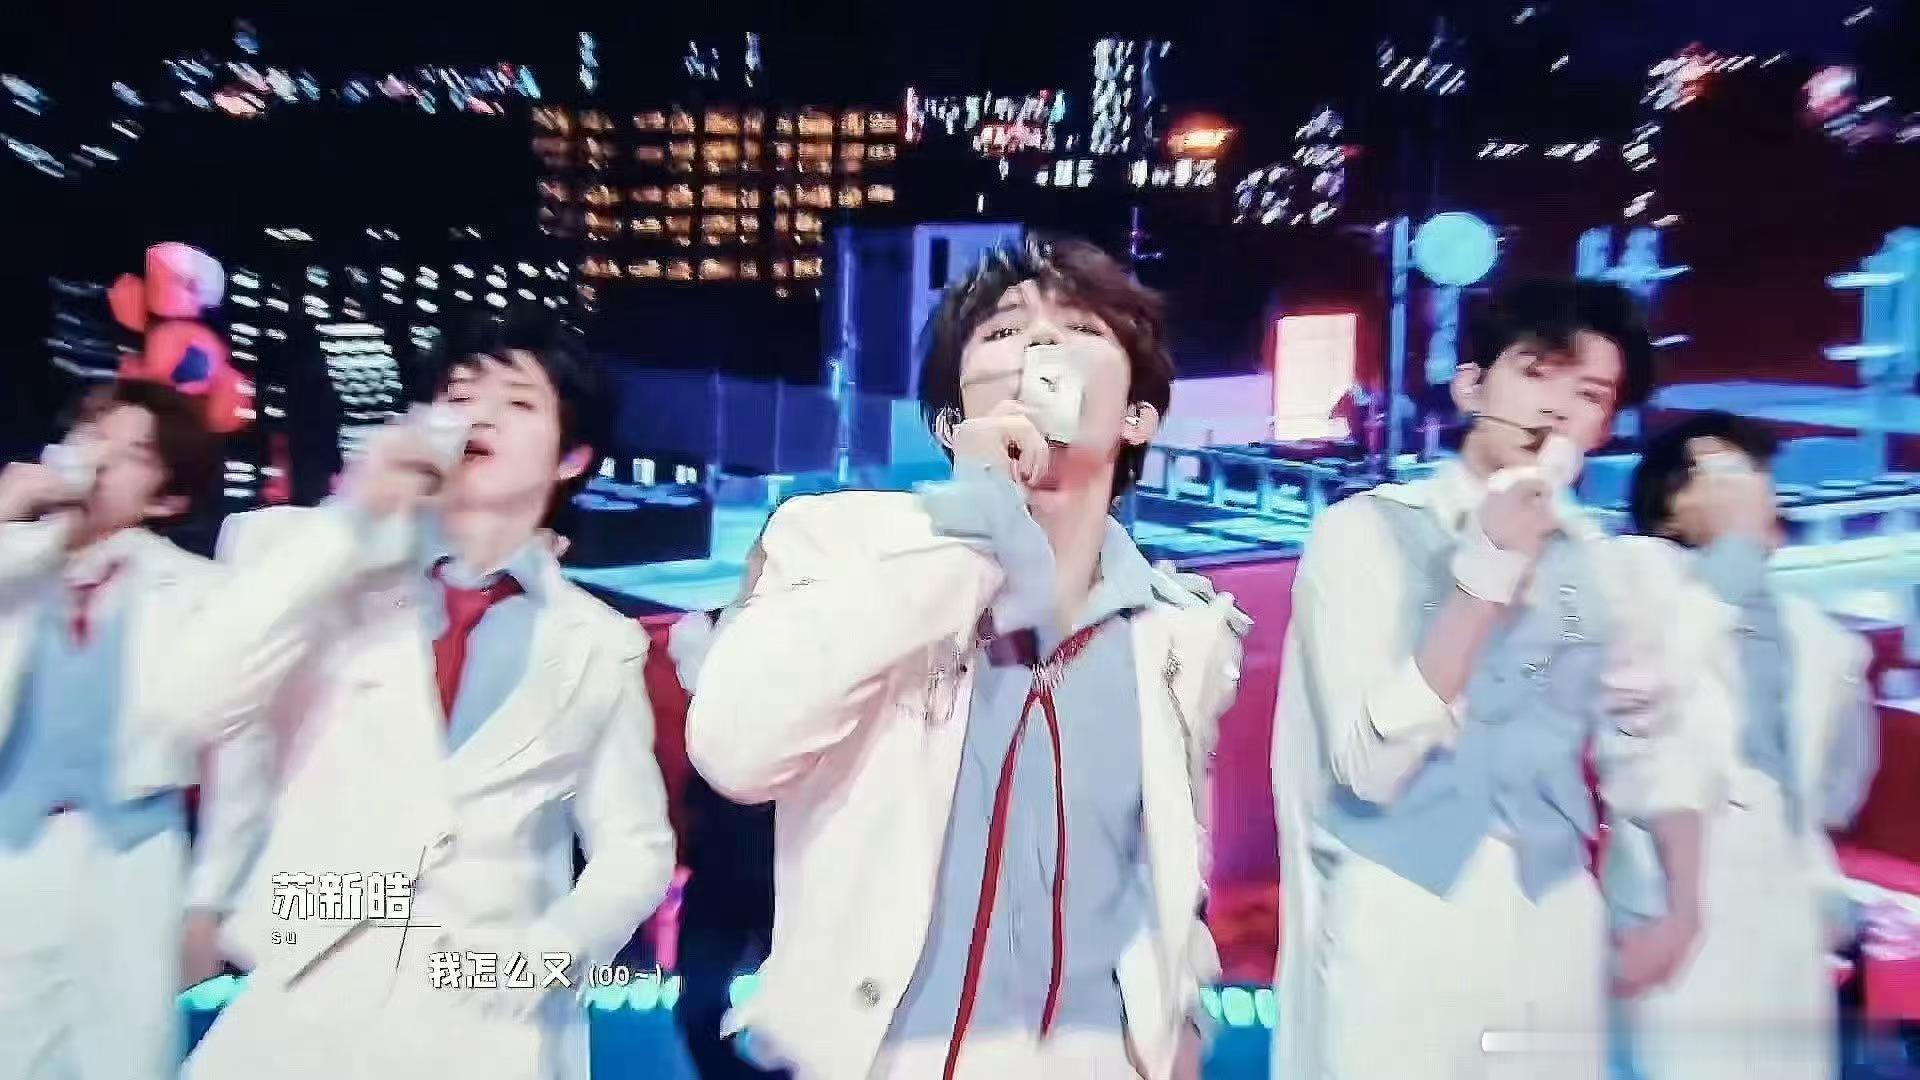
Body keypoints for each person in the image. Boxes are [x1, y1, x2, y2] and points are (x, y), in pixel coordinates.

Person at [686, 235, 1249, 1080]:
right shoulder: (836, 545)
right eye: (1005, 332)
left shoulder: (1181, 631)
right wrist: (978, 525)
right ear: (952, 421)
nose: (1042, 345)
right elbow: (737, 749)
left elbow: (1173, 872)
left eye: (1080, 329)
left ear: (1139, 416)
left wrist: (1180, 1029)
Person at [167, 313, 676, 1079]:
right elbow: (190, 703)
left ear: (573, 457)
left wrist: (549, 956)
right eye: (459, 395)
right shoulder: (323, 566)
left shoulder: (598, 642)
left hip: (487, 1035)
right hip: (301, 1014)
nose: (479, 416)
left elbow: (635, 846)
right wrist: (356, 516)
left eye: (518, 402)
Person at [1271, 279, 1710, 1080]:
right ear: (1471, 386)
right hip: (1401, 905)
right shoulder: (1365, 533)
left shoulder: (1606, 567)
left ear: (1604, 427)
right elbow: (1369, 765)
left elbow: (1649, 744)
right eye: (1535, 372)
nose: (1556, 408)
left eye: (1589, 394)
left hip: (1555, 911)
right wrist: (1486, 575)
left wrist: (1678, 905)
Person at [0, 381, 270, 1080]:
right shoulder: (14, 566)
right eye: (93, 436)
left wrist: (210, 903)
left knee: (125, 1057)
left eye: (133, 454)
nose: (101, 460)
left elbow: (241, 761)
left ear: (167, 499)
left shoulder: (204, 594)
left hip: (136, 860)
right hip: (13, 856)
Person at [1611, 411, 1877, 1080]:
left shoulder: (1822, 639)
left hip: (1784, 909)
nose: (1751, 487)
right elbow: (1645, 683)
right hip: (1672, 895)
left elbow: (1829, 791)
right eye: (1725, 474)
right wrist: (1733, 555)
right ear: (1670, 509)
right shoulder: (1630, 578)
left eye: (1755, 473)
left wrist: (1819, 884)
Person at [667, 544, 789, 1080]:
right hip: (720, 858)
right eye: (763, 557)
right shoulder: (703, 633)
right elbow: (708, 692)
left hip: (787, 856)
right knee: (699, 1006)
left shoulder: (816, 639)